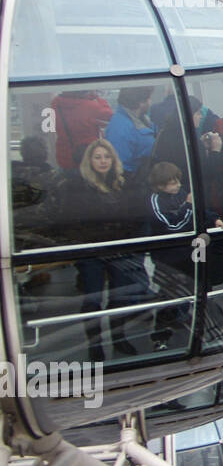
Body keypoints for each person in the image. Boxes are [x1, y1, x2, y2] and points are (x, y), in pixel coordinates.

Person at [61, 139, 149, 361]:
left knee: (121, 297)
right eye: (98, 157)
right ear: (89, 160)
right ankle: (95, 344)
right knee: (93, 299)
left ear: (113, 159)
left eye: (106, 157)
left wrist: (133, 244)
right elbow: (71, 221)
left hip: (120, 250)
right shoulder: (78, 185)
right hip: (92, 251)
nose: (102, 161)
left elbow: (137, 215)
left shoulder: (124, 182)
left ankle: (119, 338)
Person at [144, 162, 223, 351]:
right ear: (159, 185)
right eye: (171, 182)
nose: (177, 185)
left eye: (177, 181)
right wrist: (188, 207)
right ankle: (161, 337)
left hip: (190, 253)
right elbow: (171, 225)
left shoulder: (181, 194)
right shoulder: (155, 201)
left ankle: (215, 326)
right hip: (169, 258)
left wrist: (214, 219)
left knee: (203, 289)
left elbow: (198, 212)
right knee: (171, 297)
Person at [51, 90, 113, 173]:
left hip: (65, 158)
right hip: (87, 159)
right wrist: (98, 98)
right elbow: (109, 117)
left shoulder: (56, 103)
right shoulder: (90, 106)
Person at [104, 86, 156, 180]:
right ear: (141, 102)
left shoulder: (140, 119)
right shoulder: (120, 128)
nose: (150, 102)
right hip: (134, 183)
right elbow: (120, 166)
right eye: (149, 98)